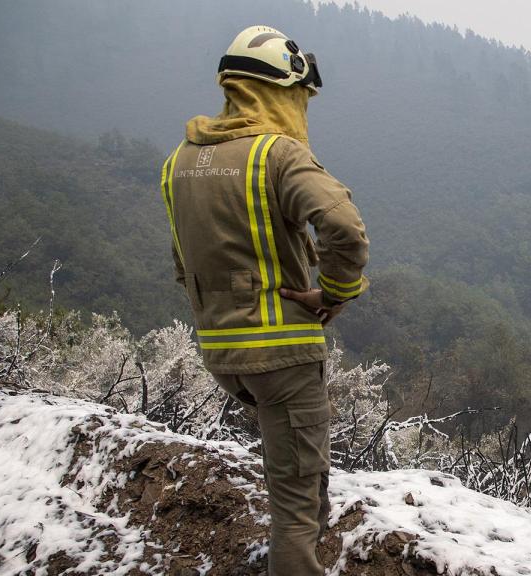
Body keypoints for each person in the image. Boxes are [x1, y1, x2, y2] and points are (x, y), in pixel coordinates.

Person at [161, 25, 370, 575]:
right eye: (300, 97)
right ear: (280, 91)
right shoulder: (276, 155)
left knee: (298, 468)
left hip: (223, 355)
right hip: (283, 353)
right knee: (295, 508)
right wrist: (336, 291)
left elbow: (184, 263)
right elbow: (344, 227)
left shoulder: (180, 161)